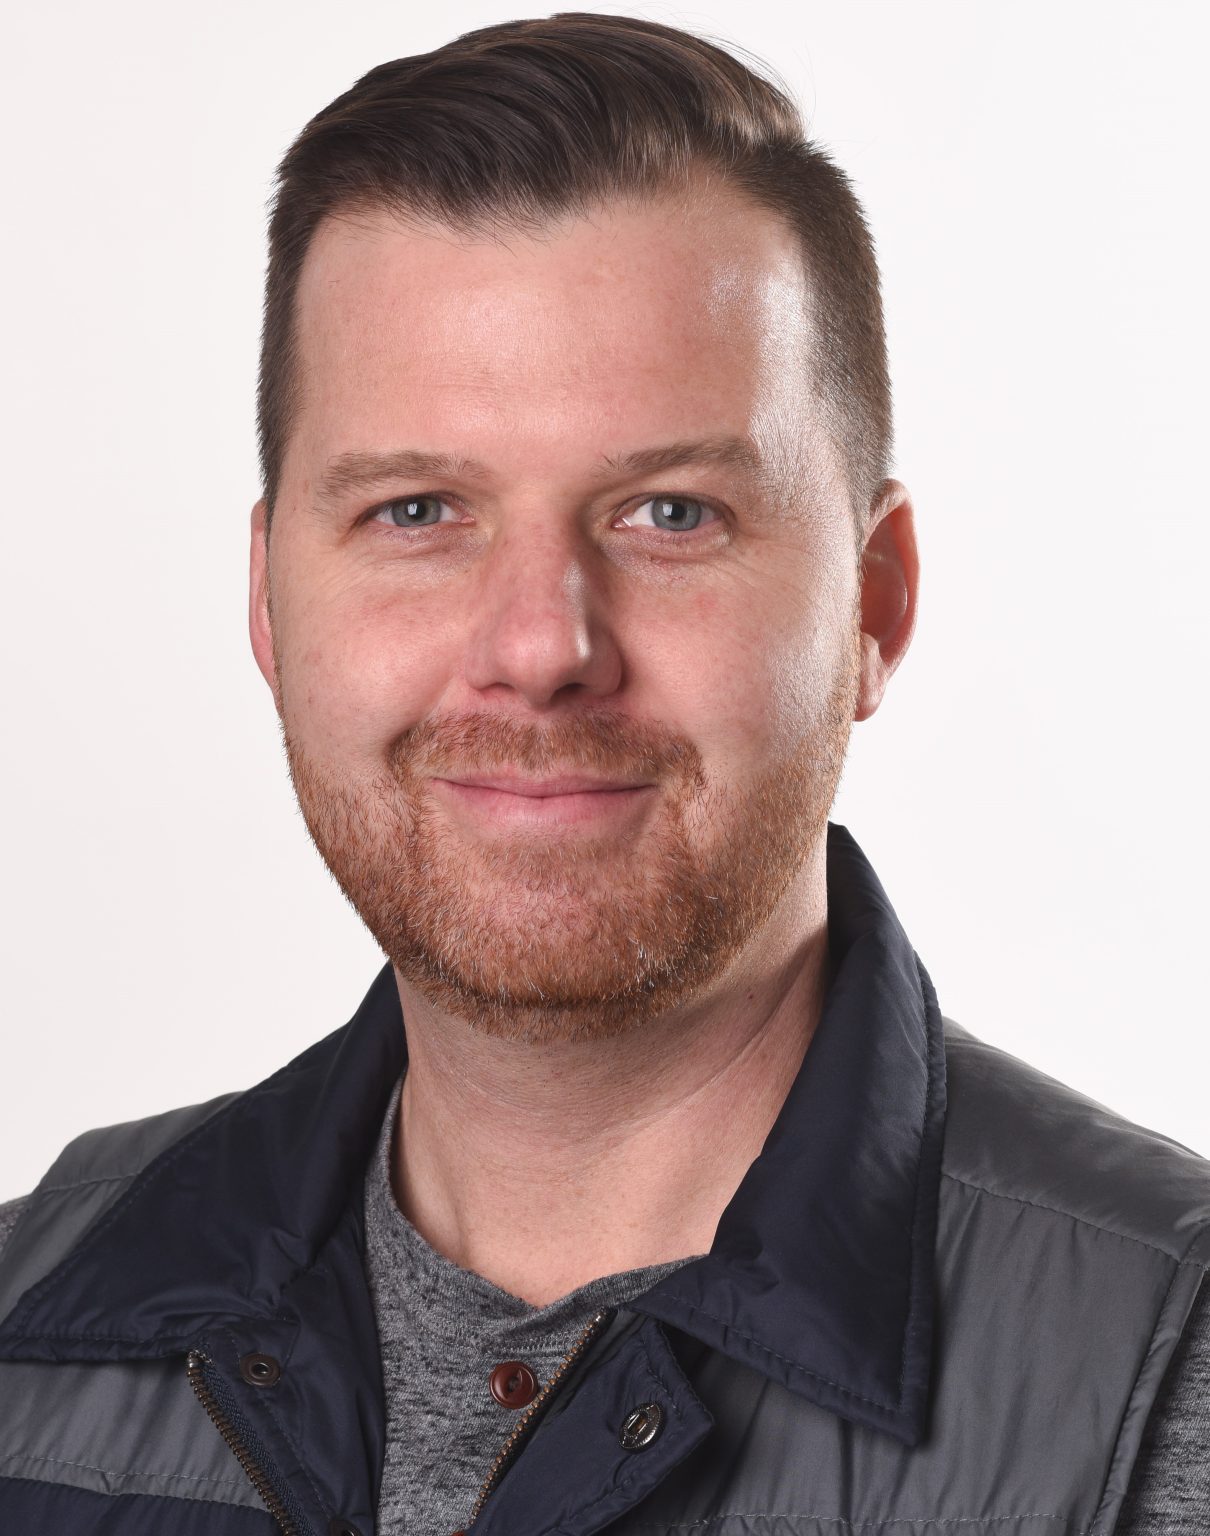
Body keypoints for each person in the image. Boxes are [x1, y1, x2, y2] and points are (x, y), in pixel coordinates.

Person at [0, 12, 1206, 1535]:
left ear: (874, 604)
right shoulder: (25, 1322)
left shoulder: (1165, 1385)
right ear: (268, 602)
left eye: (671, 513)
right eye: (417, 510)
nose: (539, 648)